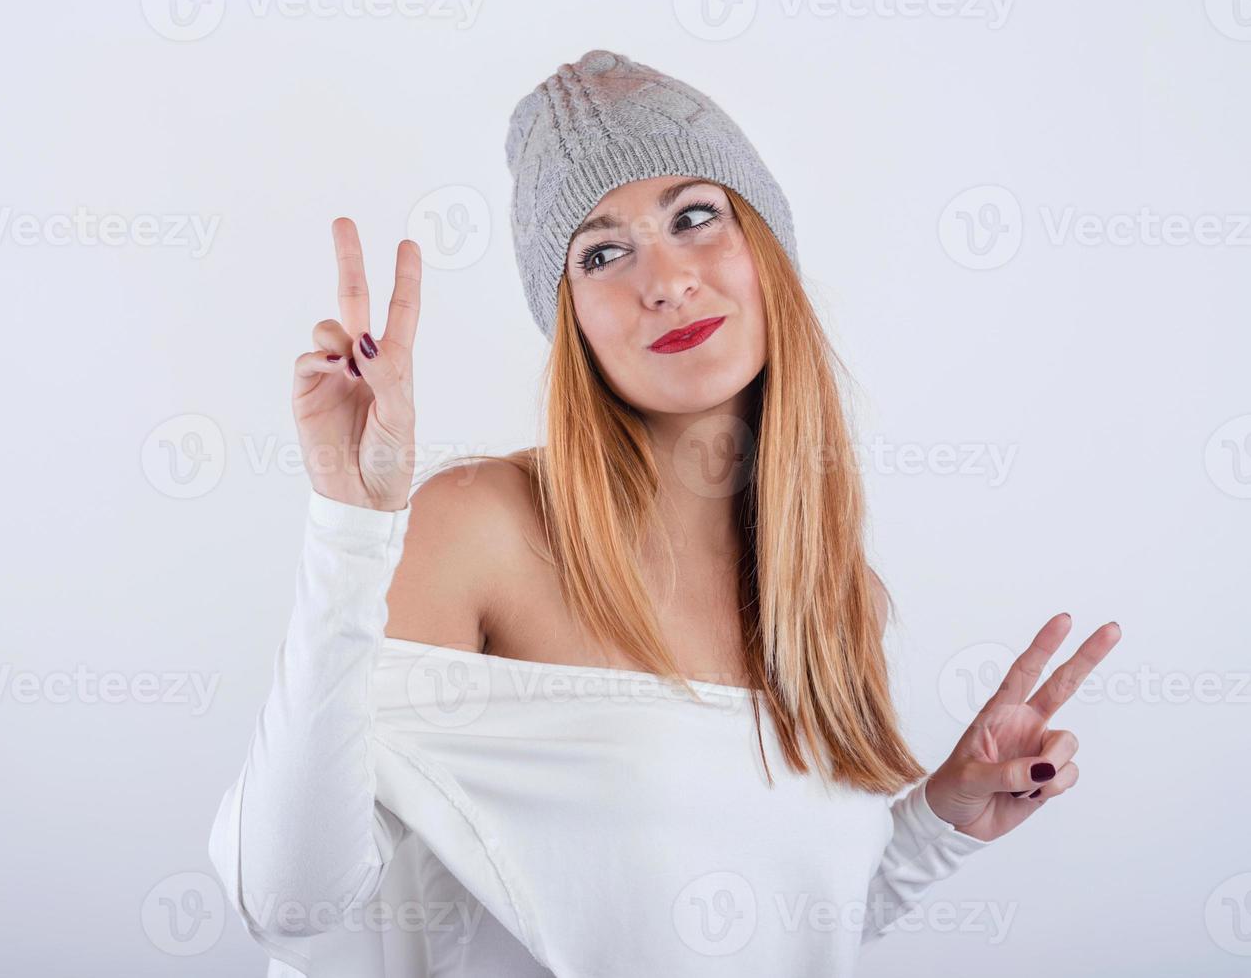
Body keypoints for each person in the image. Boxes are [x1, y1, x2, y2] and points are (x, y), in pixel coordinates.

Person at [208, 48, 1122, 977]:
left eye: (696, 216)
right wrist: (350, 527)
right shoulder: (481, 528)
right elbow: (289, 905)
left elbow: (749, 931)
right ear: (570, 321)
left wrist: (935, 829)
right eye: (602, 252)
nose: (666, 278)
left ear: (766, 245)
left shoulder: (835, 594)